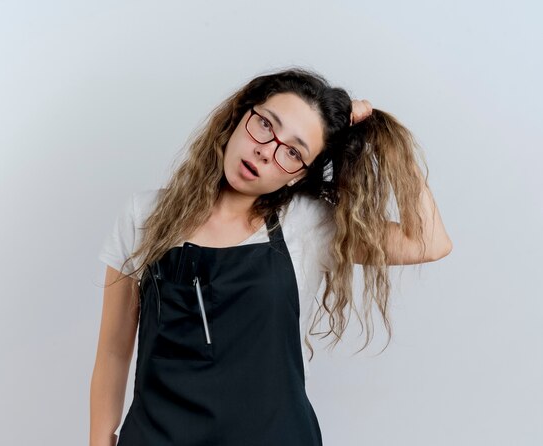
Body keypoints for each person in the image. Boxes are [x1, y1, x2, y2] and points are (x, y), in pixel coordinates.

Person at [89, 67, 452, 446]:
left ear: (299, 175)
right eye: (265, 125)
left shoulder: (309, 225)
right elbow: (114, 351)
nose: (265, 151)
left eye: (293, 152)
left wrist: (384, 138)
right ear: (240, 114)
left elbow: (429, 241)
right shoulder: (144, 215)